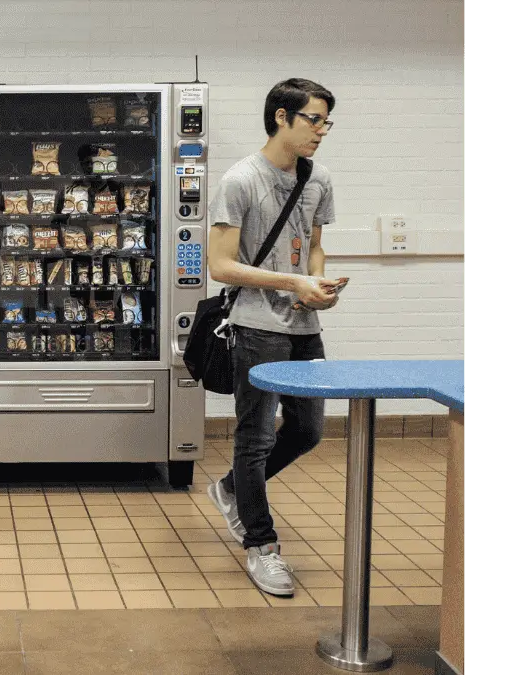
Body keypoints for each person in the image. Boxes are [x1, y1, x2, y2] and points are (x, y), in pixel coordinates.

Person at [204, 78, 341, 596]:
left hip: (305, 326)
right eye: (314, 119)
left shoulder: (319, 179)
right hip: (256, 326)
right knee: (256, 435)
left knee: (307, 430)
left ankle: (232, 490)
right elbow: (220, 266)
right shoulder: (240, 180)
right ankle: (262, 547)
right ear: (282, 117)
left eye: (327, 121)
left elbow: (316, 246)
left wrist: (319, 284)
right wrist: (292, 282)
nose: (322, 130)